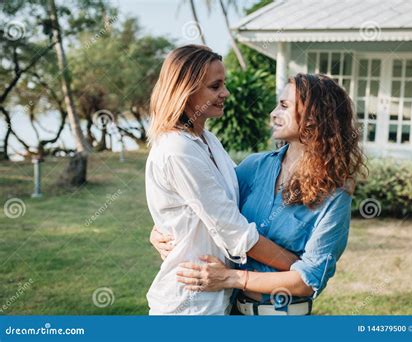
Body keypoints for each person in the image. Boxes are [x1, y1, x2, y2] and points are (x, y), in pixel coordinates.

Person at [151, 72, 366, 315]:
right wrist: (162, 231)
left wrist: (232, 278)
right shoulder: (255, 167)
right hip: (231, 312)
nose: (273, 113)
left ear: (313, 118)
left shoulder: (335, 193)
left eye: (284, 106)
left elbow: (308, 281)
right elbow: (211, 207)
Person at [145, 44, 300, 315]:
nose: (225, 93)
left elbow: (238, 194)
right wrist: (296, 266)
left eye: (224, 84)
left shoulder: (206, 140)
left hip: (217, 300)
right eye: (215, 86)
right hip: (190, 305)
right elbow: (233, 229)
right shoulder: (178, 149)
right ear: (187, 90)